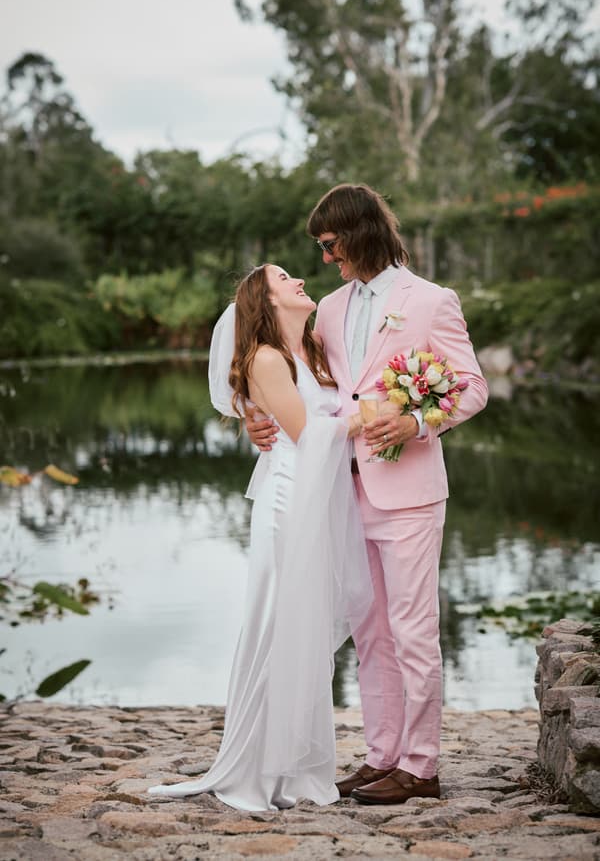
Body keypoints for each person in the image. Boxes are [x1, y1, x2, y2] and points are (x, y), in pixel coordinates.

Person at [247, 184, 488, 805]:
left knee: (412, 631)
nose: (326, 258)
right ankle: (382, 757)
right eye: (320, 248)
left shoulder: (431, 301)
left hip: (408, 493)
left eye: (330, 244)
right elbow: (301, 384)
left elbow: (471, 386)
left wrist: (416, 423)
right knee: (371, 632)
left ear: (359, 232)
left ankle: (422, 767)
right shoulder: (326, 309)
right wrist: (257, 418)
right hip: (341, 496)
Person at [148, 264, 373, 811]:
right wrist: (368, 417)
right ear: (266, 302)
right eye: (285, 279)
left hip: (318, 498)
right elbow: (308, 433)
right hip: (290, 502)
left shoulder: (313, 351)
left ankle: (294, 767)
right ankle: (254, 769)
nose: (299, 280)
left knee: (306, 633)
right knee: (279, 627)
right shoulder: (267, 359)